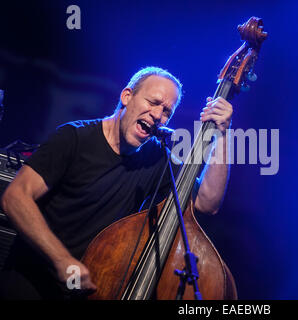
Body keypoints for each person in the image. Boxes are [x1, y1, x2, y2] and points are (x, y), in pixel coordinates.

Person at [0, 66, 232, 299]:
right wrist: (62, 259)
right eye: (153, 102)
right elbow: (15, 197)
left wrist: (222, 134)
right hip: (31, 282)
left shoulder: (156, 159)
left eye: (166, 112)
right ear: (127, 96)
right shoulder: (73, 138)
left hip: (88, 292)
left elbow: (207, 202)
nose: (157, 115)